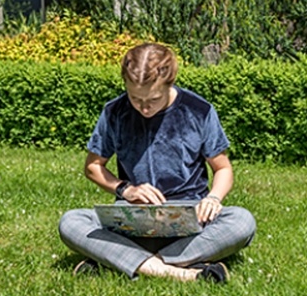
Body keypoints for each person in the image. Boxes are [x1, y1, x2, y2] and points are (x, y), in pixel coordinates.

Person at [58, 42, 256, 283]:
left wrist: (213, 198)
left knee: (242, 222)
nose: (143, 107)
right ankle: (180, 271)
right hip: (132, 219)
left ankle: (121, 261)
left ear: (170, 83)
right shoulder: (114, 112)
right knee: (71, 222)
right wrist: (126, 189)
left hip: (190, 219)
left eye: (153, 99)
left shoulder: (199, 111)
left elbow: (223, 168)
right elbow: (92, 167)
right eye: (134, 98)